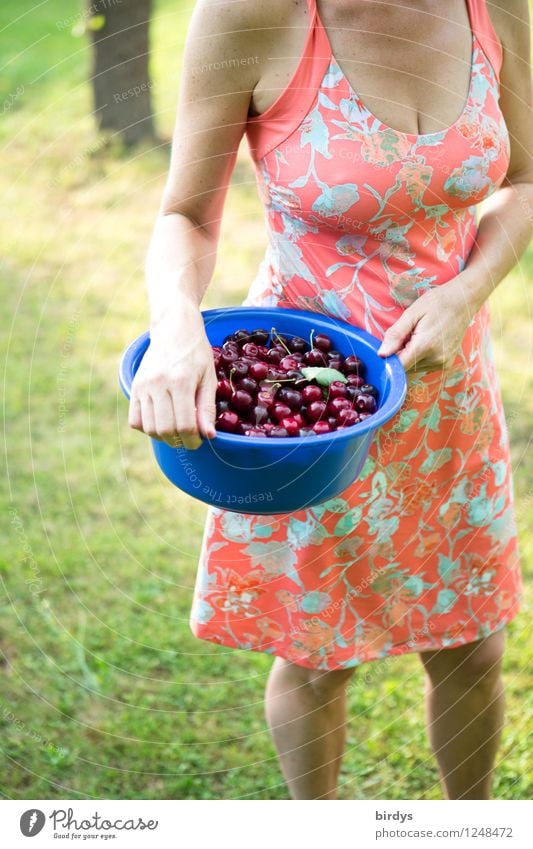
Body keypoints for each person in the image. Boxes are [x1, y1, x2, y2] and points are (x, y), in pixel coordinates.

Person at [128, 0, 533, 799]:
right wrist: (176, 325)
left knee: (471, 647)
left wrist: (468, 290)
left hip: (446, 392)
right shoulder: (251, 14)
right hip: (308, 408)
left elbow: (524, 178)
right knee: (316, 653)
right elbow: (182, 213)